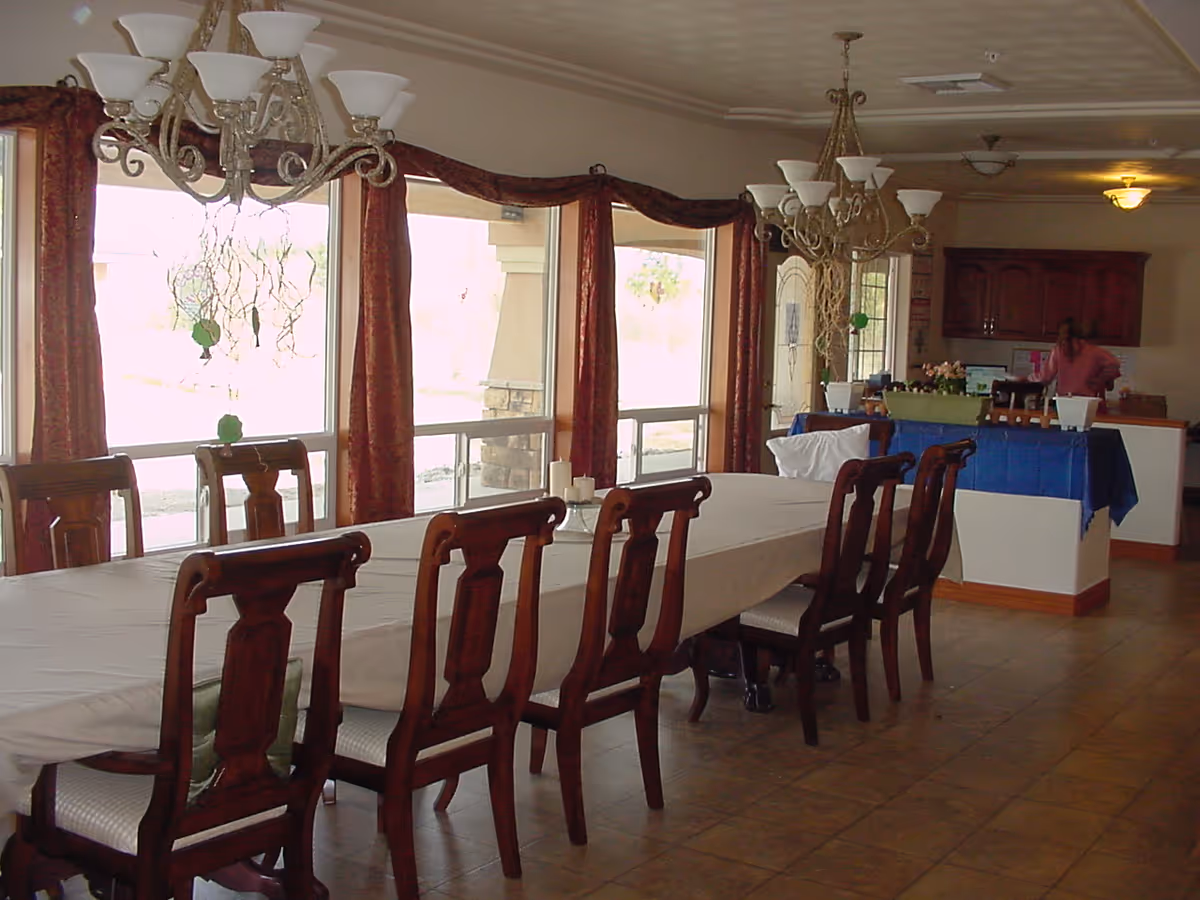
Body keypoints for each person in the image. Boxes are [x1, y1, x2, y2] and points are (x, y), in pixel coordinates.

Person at [1034, 317, 1121, 405]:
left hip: (1064, 402)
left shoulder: (1059, 351)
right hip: (1089, 402)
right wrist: (1100, 379)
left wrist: (1028, 379)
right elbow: (1114, 364)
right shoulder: (1093, 351)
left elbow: (1045, 378)